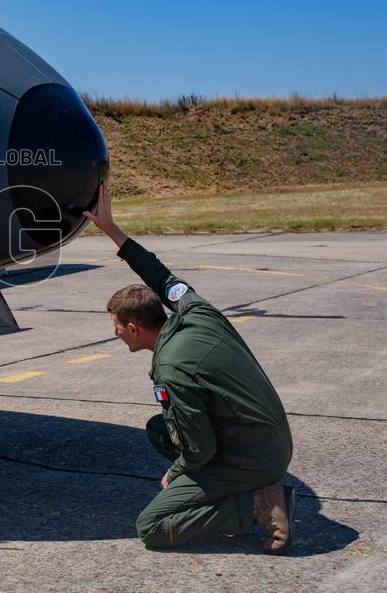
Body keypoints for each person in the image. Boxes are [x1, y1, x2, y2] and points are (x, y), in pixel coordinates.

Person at [82, 181, 296, 553]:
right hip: (271, 442)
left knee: (153, 527)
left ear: (134, 328)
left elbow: (200, 449)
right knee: (159, 430)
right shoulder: (196, 311)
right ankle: (245, 491)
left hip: (251, 457)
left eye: (116, 326)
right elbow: (161, 276)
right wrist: (112, 230)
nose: (114, 334)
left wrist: (178, 471)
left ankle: (257, 505)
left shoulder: (172, 369)